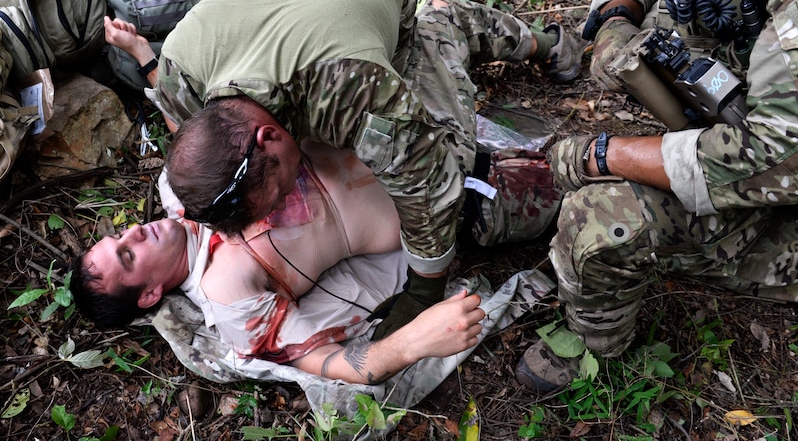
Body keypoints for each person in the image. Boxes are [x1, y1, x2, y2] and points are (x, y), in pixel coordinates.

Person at [103, 0, 582, 339]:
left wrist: (424, 288)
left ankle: (522, 38)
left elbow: (428, 185)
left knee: (447, 134)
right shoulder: (180, 75)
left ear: (269, 136)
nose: (285, 204)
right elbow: (199, 140)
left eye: (278, 195)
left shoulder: (351, 90)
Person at [515, 0, 798, 393]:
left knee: (598, 222)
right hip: (742, 122)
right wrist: (617, 20)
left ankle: (594, 350)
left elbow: (796, 155)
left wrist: (603, 155)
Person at [72, 124, 559, 384]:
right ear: (150, 294)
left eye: (120, 237)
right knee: (590, 179)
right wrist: (414, 341)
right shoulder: (228, 291)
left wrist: (145, 58)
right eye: (129, 257)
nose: (135, 233)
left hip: (405, 124)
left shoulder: (179, 188)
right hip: (455, 194)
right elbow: (329, 363)